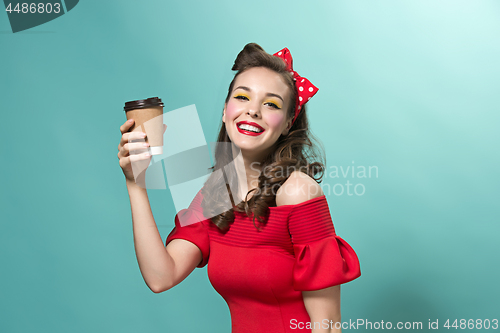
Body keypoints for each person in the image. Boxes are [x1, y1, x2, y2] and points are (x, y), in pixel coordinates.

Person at [117, 43, 361, 333]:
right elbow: (161, 277)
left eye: (271, 104)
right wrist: (135, 183)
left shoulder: (297, 192)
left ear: (286, 125)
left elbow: (329, 326)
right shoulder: (216, 192)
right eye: (242, 97)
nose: (253, 111)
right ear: (225, 111)